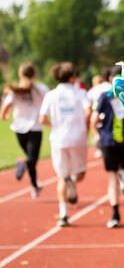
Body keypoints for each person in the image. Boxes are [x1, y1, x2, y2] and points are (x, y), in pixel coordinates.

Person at [39, 62, 91, 227]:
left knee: (62, 176)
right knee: (80, 173)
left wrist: (53, 126)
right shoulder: (81, 92)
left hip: (59, 139)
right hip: (78, 138)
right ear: (72, 77)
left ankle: (63, 214)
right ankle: (73, 182)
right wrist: (85, 127)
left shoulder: (50, 95)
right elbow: (88, 112)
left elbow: (42, 119)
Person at [91, 65, 124, 228]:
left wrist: (95, 135)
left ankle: (115, 214)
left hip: (108, 140)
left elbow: (94, 119)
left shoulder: (104, 96)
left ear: (111, 80)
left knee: (112, 178)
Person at [0, 62, 49, 198]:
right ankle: (26, 169)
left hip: (19, 129)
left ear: (20, 75)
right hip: (35, 128)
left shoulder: (15, 90)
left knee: (30, 159)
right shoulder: (41, 89)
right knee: (32, 160)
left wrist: (4, 115)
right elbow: (50, 101)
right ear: (34, 75)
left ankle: (34, 186)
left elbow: (5, 107)